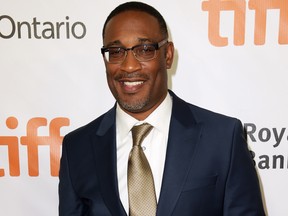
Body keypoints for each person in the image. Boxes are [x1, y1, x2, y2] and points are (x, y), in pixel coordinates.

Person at [58, 1, 265, 215]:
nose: (129, 66)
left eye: (145, 49)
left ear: (167, 55)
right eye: (116, 51)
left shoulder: (222, 138)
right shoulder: (77, 148)